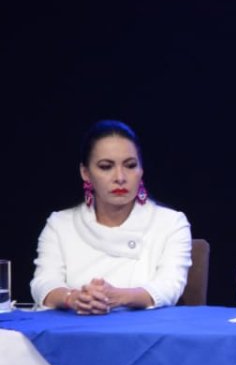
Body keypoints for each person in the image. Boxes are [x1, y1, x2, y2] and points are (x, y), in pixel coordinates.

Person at [31, 120, 192, 314]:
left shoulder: (171, 223)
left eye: (130, 165)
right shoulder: (60, 224)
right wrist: (74, 299)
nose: (120, 177)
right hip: (73, 331)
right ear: (85, 173)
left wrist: (115, 296)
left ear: (141, 170)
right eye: (106, 166)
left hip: (144, 334)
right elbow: (43, 283)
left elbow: (169, 287)